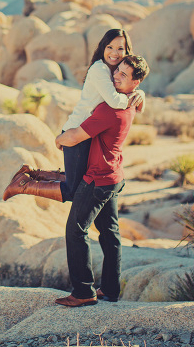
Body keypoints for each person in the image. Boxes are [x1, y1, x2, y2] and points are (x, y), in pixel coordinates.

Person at [52, 54, 149, 306]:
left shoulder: (110, 109)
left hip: (97, 180)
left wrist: (58, 139)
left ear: (135, 83)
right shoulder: (129, 103)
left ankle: (84, 291)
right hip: (114, 176)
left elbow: (74, 136)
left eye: (124, 75)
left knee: (75, 230)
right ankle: (110, 289)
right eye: (117, 70)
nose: (116, 76)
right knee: (109, 234)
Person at [3, 29, 144, 202]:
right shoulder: (99, 69)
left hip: (89, 133)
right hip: (77, 131)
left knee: (79, 183)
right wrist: (132, 98)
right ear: (103, 47)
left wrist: (139, 93)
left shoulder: (116, 72)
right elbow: (115, 101)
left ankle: (32, 173)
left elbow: (133, 98)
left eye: (120, 48)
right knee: (73, 190)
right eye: (110, 47)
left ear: (127, 51)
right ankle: (23, 185)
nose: (114, 53)